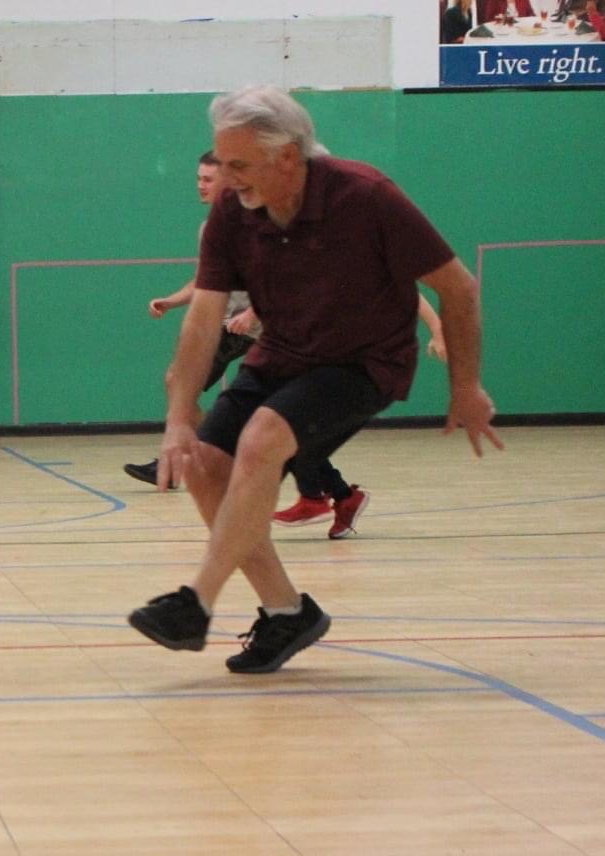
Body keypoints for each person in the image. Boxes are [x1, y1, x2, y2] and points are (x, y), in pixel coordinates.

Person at [127, 86, 499, 674]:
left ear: (287, 158)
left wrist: (465, 385)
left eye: (239, 165)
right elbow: (203, 316)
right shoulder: (232, 212)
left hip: (364, 363)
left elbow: (459, 288)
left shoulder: (366, 196)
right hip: (281, 354)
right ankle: (287, 612)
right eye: (222, 164)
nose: (227, 179)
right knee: (204, 465)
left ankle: (196, 601)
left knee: (262, 439)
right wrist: (178, 419)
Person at [124, 151, 258, 488]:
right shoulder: (210, 227)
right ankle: (184, 462)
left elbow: (274, 277)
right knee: (177, 382)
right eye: (198, 178)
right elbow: (205, 279)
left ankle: (210, 455)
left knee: (179, 381)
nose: (200, 185)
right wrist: (171, 301)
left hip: (255, 326)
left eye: (208, 179)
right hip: (228, 324)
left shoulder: (251, 224)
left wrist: (252, 312)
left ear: (228, 182)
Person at [272, 293, 448, 539]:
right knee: (287, 429)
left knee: (291, 429)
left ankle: (314, 498)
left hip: (367, 371)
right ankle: (342, 497)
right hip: (335, 360)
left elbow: (411, 292)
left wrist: (438, 331)